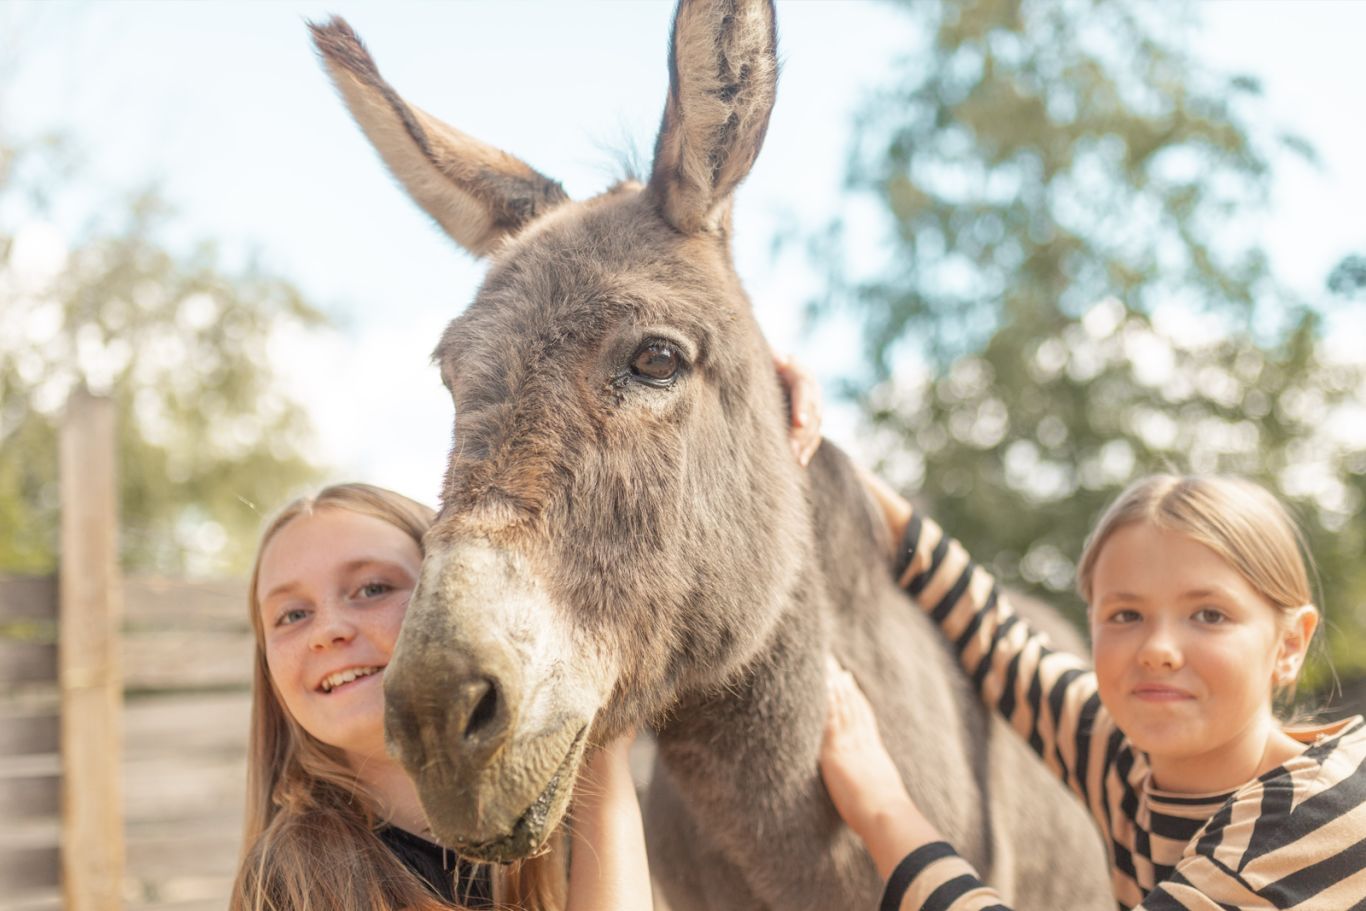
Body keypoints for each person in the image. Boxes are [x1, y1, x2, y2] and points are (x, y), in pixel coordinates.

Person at [230, 356, 824, 911]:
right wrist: (606, 753)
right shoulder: (296, 880)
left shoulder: (550, 815)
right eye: (291, 615)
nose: (329, 630)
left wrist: (760, 398)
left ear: (455, 597)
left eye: (373, 589)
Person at [819, 472, 1366, 909]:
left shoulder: (1313, 824)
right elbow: (994, 637)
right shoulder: (1125, 766)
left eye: (1209, 614)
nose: (1158, 648)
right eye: (1126, 614)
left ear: (1290, 644)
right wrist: (809, 433)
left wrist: (882, 807)